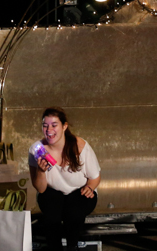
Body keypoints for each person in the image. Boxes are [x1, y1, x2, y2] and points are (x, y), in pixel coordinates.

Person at [29, 107, 101, 251]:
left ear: (64, 126)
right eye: (45, 125)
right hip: (53, 194)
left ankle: (72, 246)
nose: (49, 130)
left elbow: (95, 177)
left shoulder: (80, 146)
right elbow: (40, 188)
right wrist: (41, 171)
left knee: (74, 208)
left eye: (54, 125)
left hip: (79, 192)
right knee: (51, 207)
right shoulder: (37, 149)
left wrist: (90, 187)